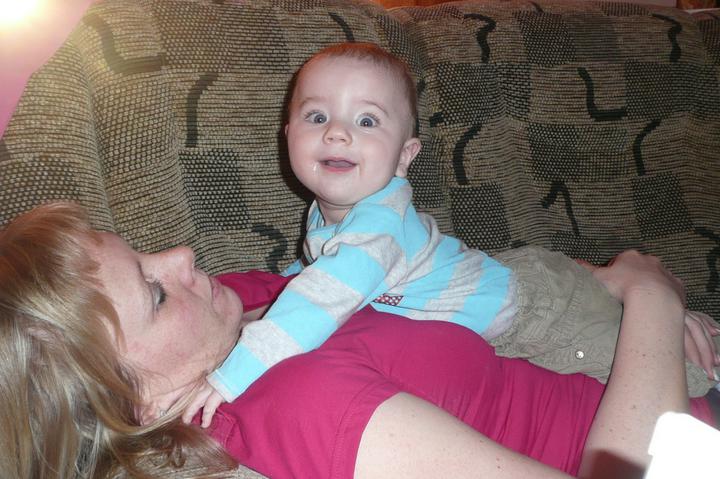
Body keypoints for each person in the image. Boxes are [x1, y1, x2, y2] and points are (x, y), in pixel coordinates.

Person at [195, 42, 719, 424]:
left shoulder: (377, 226)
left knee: (654, 376)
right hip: (510, 273)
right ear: (288, 134)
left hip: (536, 312)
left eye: (367, 121)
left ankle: (705, 364)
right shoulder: (328, 211)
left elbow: (324, 293)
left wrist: (234, 373)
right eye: (317, 116)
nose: (337, 132)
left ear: (405, 156)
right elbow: (316, 271)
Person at [1, 201, 718, 479]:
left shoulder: (241, 310)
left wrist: (605, 290)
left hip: (660, 377)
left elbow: (431, 273)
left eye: (143, 250)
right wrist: (653, 298)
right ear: (132, 403)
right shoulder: (297, 406)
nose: (182, 256)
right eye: (156, 294)